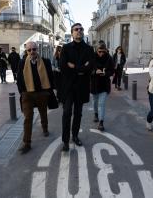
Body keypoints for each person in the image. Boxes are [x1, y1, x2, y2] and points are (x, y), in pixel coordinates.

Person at [59, 23, 95, 151]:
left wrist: (74, 66)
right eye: (76, 29)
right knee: (67, 112)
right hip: (68, 87)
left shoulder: (89, 49)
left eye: (81, 29)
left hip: (81, 87)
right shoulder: (66, 48)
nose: (79, 31)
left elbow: (90, 67)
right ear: (72, 32)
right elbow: (63, 66)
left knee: (78, 114)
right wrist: (81, 68)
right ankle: (65, 141)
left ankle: (75, 136)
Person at [16, 41, 54, 154]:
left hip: (41, 93)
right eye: (29, 50)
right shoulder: (22, 63)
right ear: (26, 51)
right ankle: (27, 143)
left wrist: (48, 91)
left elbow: (51, 77)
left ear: (37, 50)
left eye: (34, 49)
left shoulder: (45, 62)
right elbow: (19, 79)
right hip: (27, 94)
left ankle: (45, 128)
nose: (32, 52)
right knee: (28, 118)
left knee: (43, 112)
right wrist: (22, 93)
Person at [91, 43, 114, 131]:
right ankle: (96, 114)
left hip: (104, 84)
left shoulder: (109, 58)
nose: (101, 54)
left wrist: (105, 73)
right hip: (94, 84)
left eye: (103, 52)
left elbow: (112, 71)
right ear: (96, 50)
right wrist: (94, 71)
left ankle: (101, 122)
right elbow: (88, 69)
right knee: (95, 102)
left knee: (102, 104)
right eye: (99, 51)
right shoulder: (92, 58)